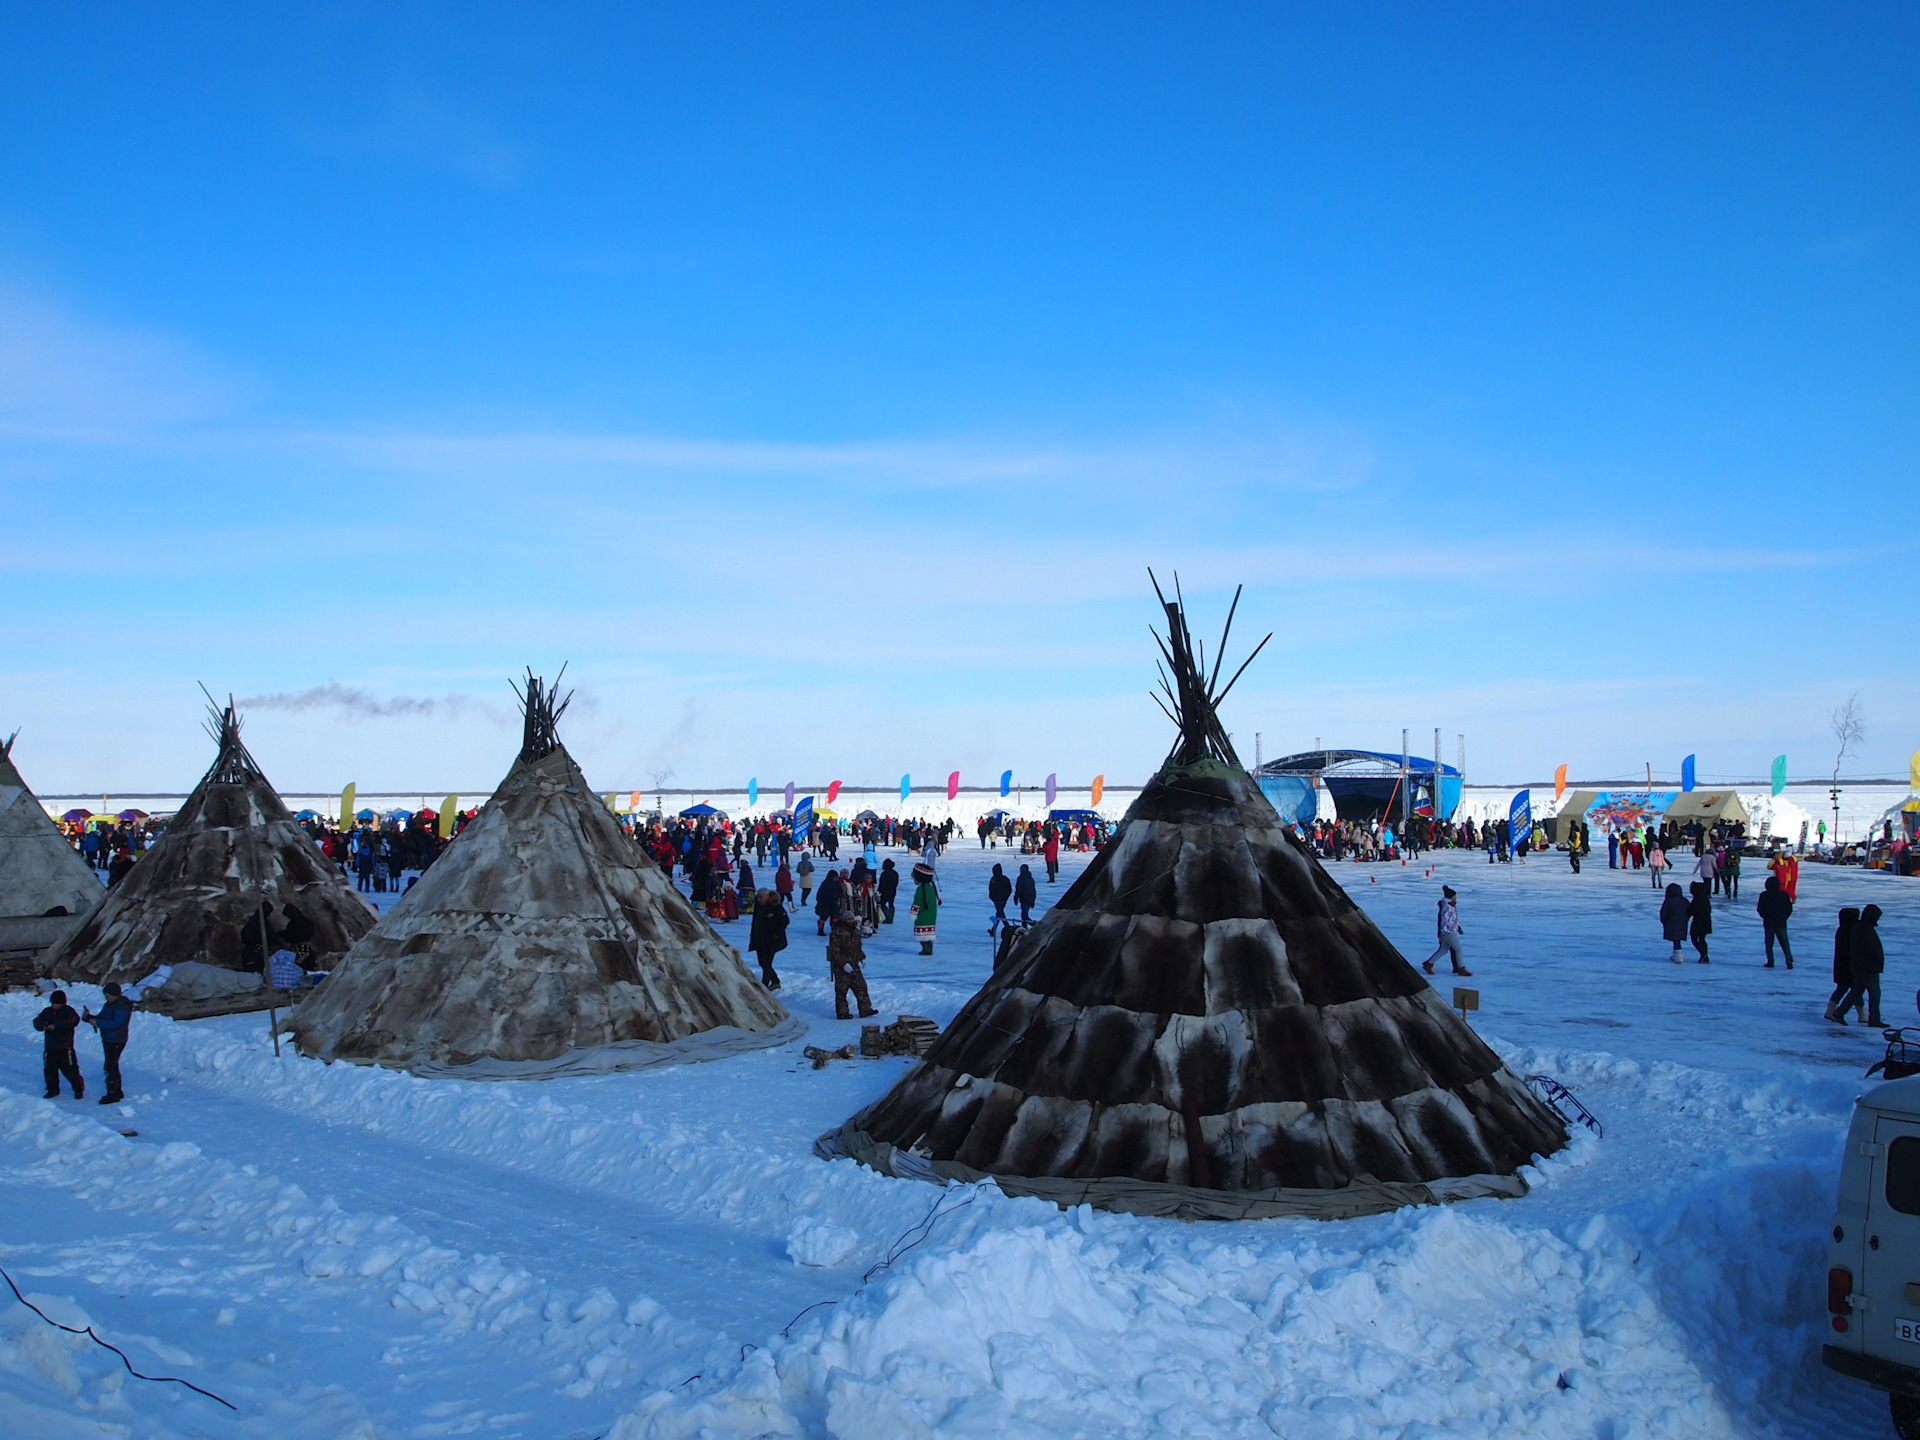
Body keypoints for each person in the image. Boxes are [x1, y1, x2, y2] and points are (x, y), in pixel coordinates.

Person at [81, 982, 133, 1104]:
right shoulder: (109, 1005)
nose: (106, 998)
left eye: (108, 995)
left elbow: (115, 1023)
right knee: (113, 1066)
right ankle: (117, 1091)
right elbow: (101, 1018)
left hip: (117, 1039)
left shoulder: (122, 1006)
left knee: (109, 1067)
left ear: (115, 995)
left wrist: (97, 1023)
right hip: (108, 1039)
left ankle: (112, 1094)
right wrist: (88, 1017)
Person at [826, 907, 878, 1020]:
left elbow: (857, 947)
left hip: (854, 964)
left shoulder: (855, 931)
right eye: (848, 918)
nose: (850, 920)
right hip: (841, 967)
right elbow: (834, 951)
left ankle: (865, 1009)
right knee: (842, 990)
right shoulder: (837, 932)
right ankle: (842, 1013)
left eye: (851, 918)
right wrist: (844, 963)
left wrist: (862, 957)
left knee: (861, 987)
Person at [1842, 903, 1887, 1028]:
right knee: (1874, 993)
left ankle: (1839, 1012)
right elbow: (1870, 949)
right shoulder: (1865, 929)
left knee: (1856, 991)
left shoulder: (1860, 927)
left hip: (1859, 966)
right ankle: (1874, 1019)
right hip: (1868, 967)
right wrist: (1876, 962)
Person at [34, 990, 84, 1100]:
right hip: (50, 1047)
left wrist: (55, 1026)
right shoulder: (47, 1012)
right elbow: (37, 1021)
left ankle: (78, 1089)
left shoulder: (69, 1012)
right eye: (52, 1003)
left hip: (65, 1047)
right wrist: (42, 1025)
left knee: (70, 1070)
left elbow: (73, 1021)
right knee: (49, 1070)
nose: (54, 1006)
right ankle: (52, 1090)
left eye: (56, 1003)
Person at [1422, 885, 1472, 975]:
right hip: (1448, 932)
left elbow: (1452, 919)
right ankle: (1461, 969)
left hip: (1450, 931)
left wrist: (1458, 927)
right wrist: (1447, 931)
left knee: (1443, 950)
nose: (1456, 897)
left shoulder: (1451, 905)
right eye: (1455, 895)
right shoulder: (1447, 907)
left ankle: (1429, 964)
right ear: (1450, 897)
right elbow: (1445, 921)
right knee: (1458, 949)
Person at [1825, 907, 1862, 1023]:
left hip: (1841, 965)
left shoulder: (1842, 930)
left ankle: (1862, 1014)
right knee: (1852, 988)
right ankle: (1862, 1013)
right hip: (1849, 965)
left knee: (1850, 988)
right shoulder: (1851, 931)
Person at [747, 889, 788, 989]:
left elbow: (785, 921)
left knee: (766, 963)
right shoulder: (758, 906)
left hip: (773, 941)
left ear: (767, 896)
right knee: (762, 963)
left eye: (761, 897)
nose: (759, 899)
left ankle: (764, 986)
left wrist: (776, 934)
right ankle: (775, 981)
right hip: (760, 940)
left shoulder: (775, 906)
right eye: (758, 897)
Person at [1756, 875, 1794, 969]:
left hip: (1768, 922)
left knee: (1769, 943)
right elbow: (1789, 908)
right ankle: (1788, 959)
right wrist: (1784, 917)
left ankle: (1770, 961)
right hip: (1781, 922)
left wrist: (1764, 916)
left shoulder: (1764, 895)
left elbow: (1760, 908)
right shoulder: (1784, 895)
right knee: (1784, 942)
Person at [911, 861, 940, 956]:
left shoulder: (921, 889)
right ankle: (929, 948)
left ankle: (925, 949)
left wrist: (913, 913)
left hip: (923, 914)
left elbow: (917, 902)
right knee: (929, 933)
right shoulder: (931, 887)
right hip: (931, 913)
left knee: (921, 932)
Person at [1660, 882, 1690, 963]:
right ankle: (1676, 953)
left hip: (1671, 923)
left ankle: (1678, 954)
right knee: (1677, 938)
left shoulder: (1668, 901)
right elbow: (1689, 912)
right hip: (1682, 923)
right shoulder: (1685, 901)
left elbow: (1663, 913)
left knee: (1675, 939)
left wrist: (1664, 921)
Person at [814, 867, 844, 936]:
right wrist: (831, 896)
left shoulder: (837, 883)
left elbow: (840, 892)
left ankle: (834, 930)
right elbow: (820, 894)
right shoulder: (825, 883)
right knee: (823, 917)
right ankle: (820, 930)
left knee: (835, 917)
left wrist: (839, 895)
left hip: (833, 903)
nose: (836, 878)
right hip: (824, 904)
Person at [1687, 880, 1713, 963]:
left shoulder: (1697, 900)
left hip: (1698, 922)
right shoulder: (1706, 899)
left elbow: (1692, 911)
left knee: (1694, 939)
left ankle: (1703, 954)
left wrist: (1686, 917)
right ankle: (1705, 955)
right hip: (1706, 921)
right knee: (1702, 939)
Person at [987, 863, 1012, 937]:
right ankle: (994, 930)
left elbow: (991, 889)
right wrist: (1006, 897)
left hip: (997, 900)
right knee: (999, 913)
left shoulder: (993, 879)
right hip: (1004, 899)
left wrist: (992, 897)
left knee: (1000, 914)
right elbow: (1009, 889)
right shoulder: (1005, 878)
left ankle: (1008, 928)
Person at [877, 858, 900, 924]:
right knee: (891, 904)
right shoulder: (895, 873)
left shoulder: (884, 873)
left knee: (882, 904)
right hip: (893, 891)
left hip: (885, 892)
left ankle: (889, 917)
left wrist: (879, 890)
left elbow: (882, 884)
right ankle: (890, 918)